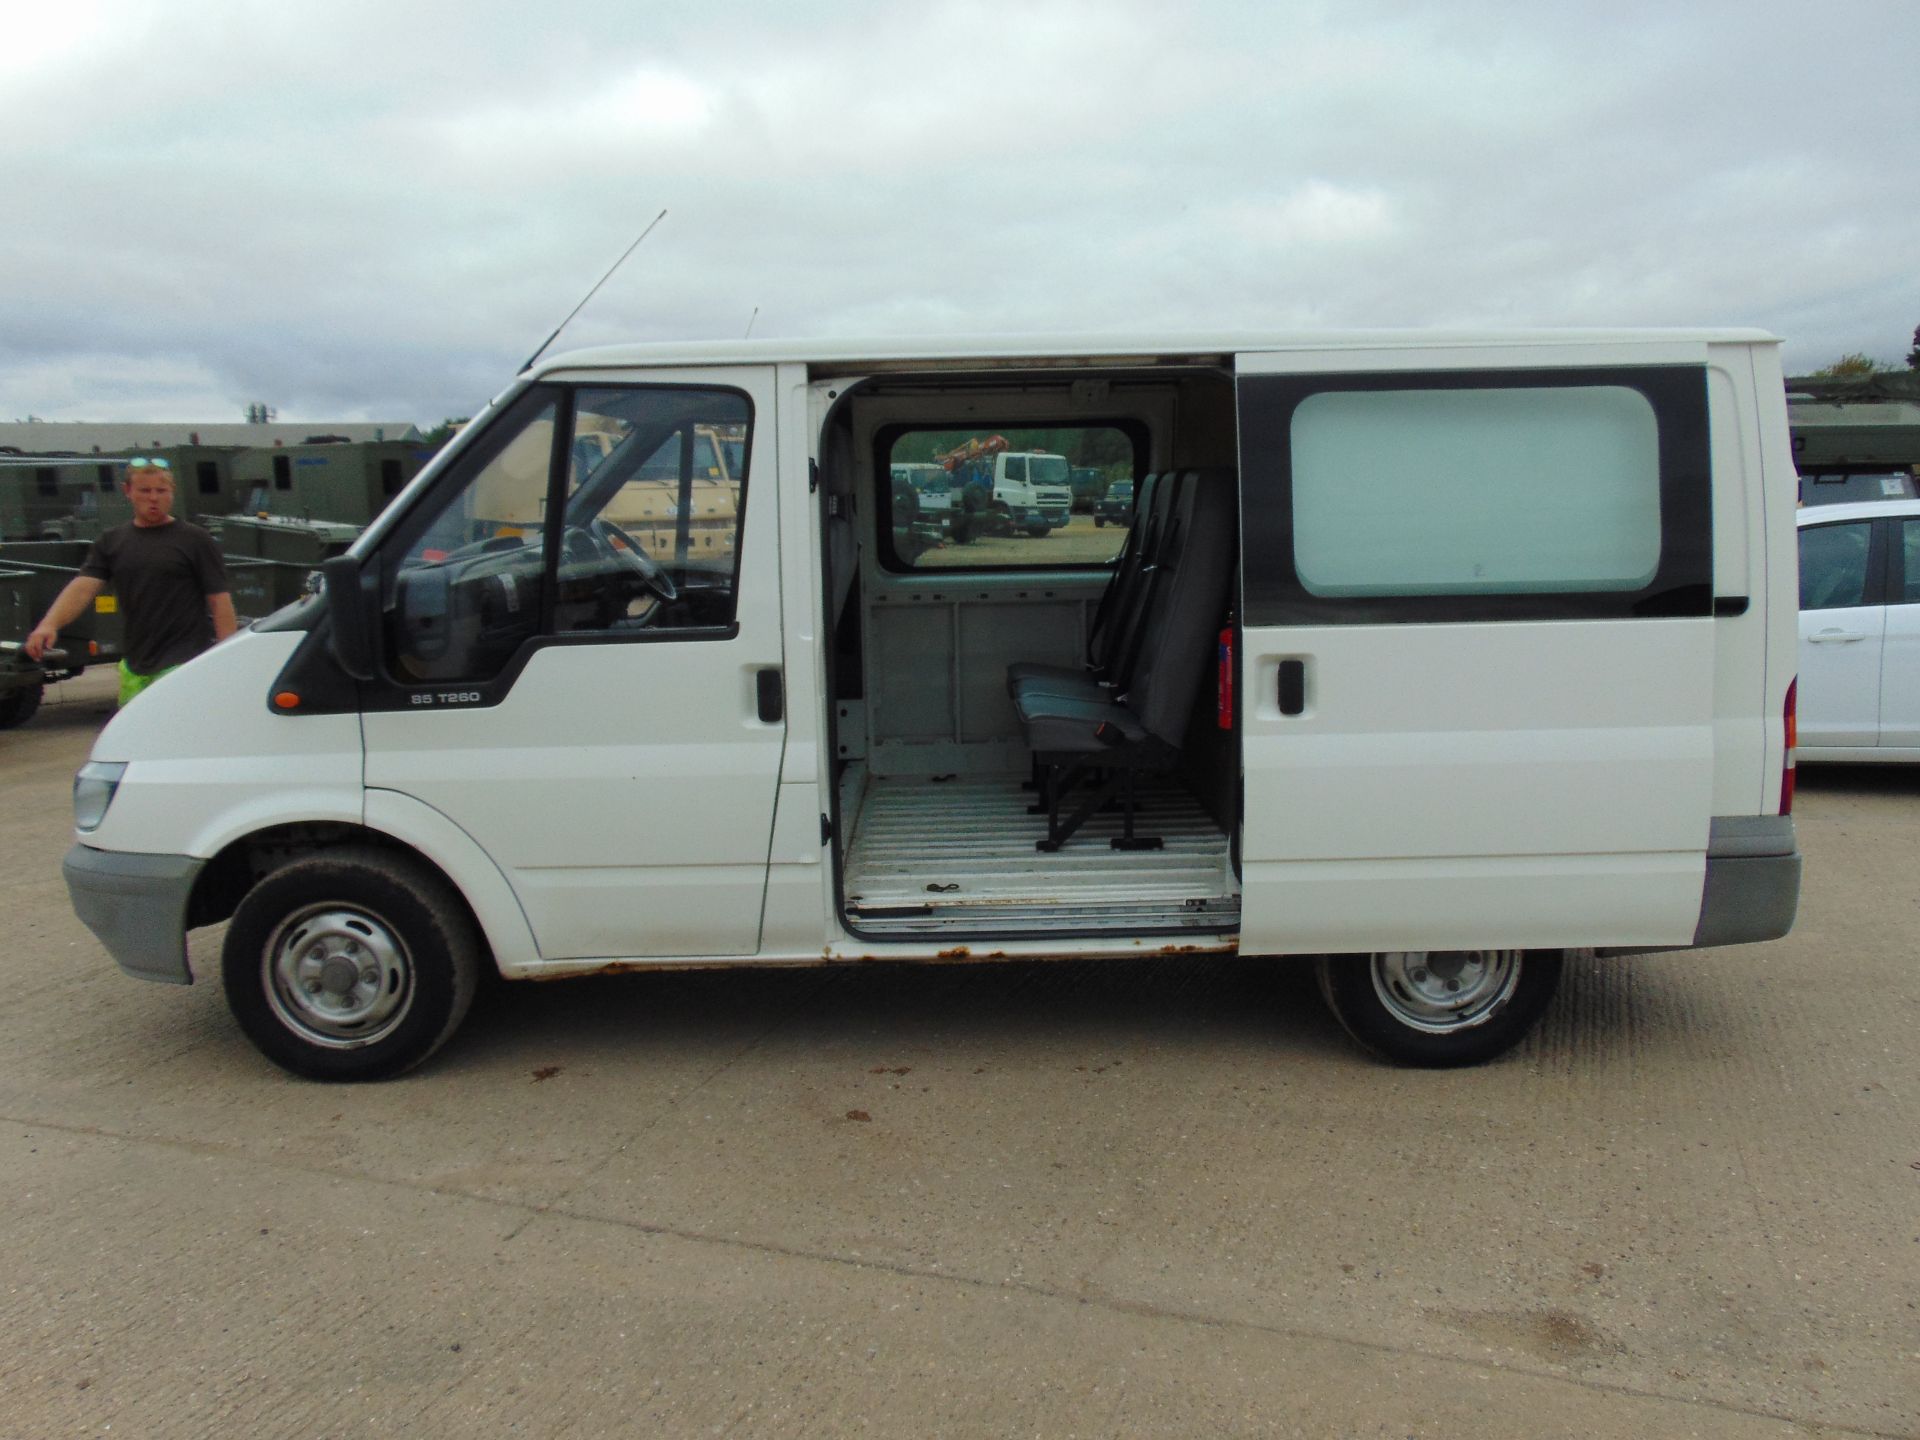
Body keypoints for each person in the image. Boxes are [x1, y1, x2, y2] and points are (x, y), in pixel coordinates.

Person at [24, 457, 237, 706]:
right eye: (145, 490)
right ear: (128, 492)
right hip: (136, 667)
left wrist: (226, 659)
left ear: (172, 493)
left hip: (184, 664)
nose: (154, 498)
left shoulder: (195, 539)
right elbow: (82, 588)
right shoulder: (111, 541)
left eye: (161, 490)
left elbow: (219, 601)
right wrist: (49, 625)